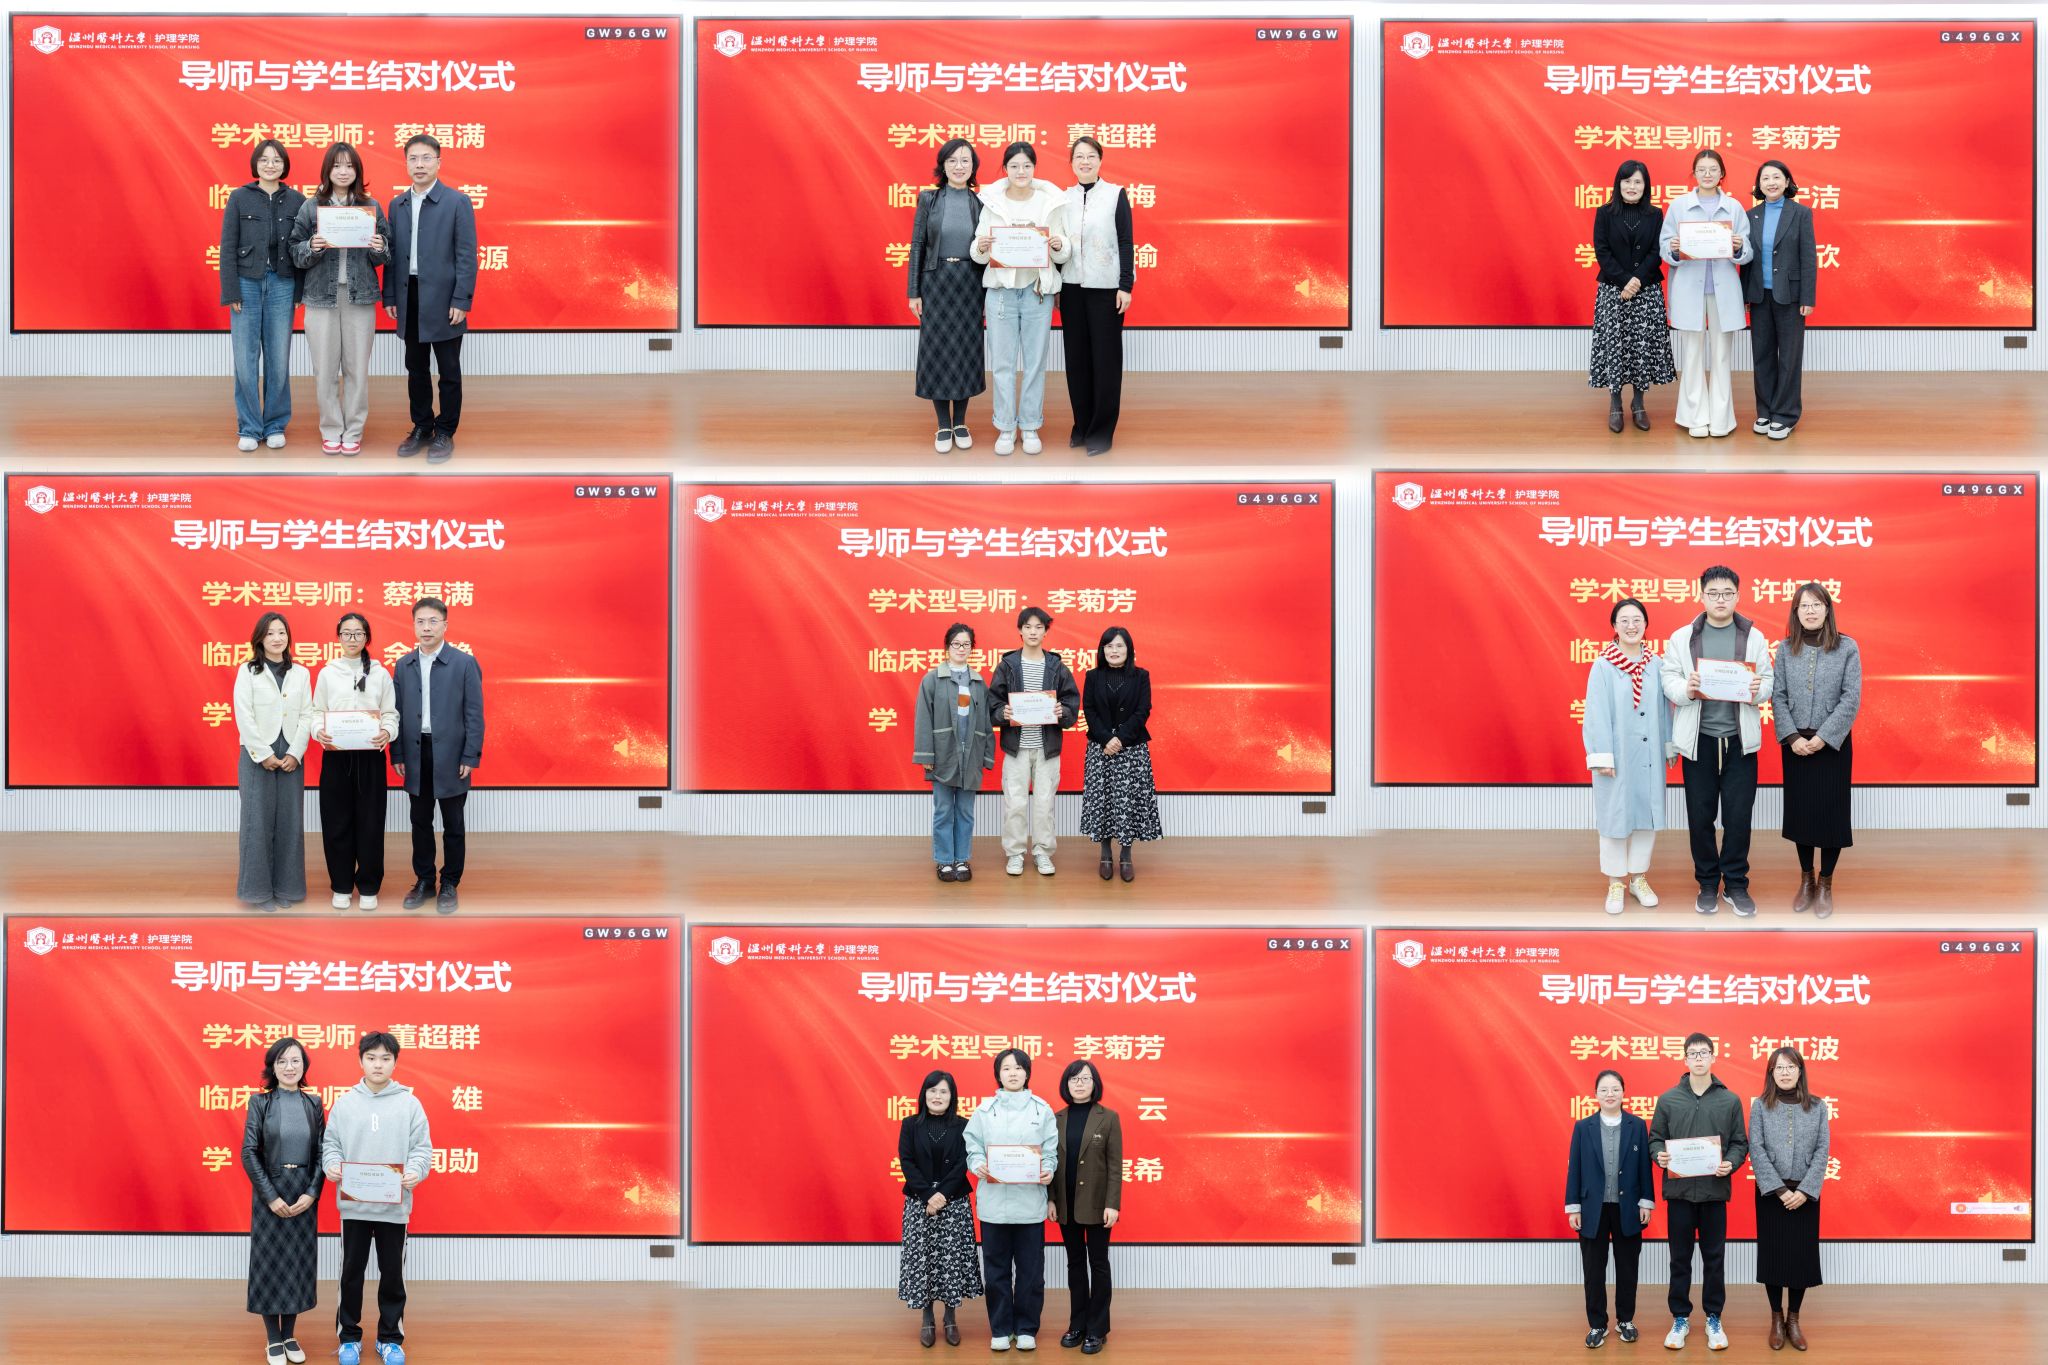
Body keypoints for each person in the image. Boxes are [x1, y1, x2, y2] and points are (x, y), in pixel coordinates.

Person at [1659, 567, 1774, 917]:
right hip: (1699, 741)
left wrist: (1758, 690)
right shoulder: (1683, 637)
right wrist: (1687, 689)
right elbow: (1668, 677)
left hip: (1740, 742)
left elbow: (1768, 679)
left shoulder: (1753, 636)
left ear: (1737, 596)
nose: (1720, 599)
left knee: (1738, 817)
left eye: (1727, 593)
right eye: (1713, 593)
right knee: (1700, 816)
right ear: (1701, 596)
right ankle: (1707, 883)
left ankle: (1736, 884)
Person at [321, 1032, 433, 1365]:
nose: (378, 1064)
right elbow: (331, 1145)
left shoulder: (410, 1104)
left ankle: (390, 1339)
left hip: (394, 1207)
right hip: (354, 1207)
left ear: (395, 1062)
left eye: (385, 1058)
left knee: (393, 1276)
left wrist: (415, 1171)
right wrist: (331, 1165)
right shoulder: (345, 1103)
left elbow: (421, 1149)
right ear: (361, 1061)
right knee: (350, 1275)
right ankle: (349, 1338)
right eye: (371, 1058)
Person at [289, 142, 392, 455]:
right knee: (325, 369)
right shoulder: (311, 207)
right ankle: (331, 428)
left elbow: (385, 254)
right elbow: (295, 251)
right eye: (337, 166)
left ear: (357, 171)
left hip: (360, 299)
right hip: (321, 298)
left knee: (356, 369)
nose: (343, 171)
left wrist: (379, 247)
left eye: (349, 166)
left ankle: (354, 430)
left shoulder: (371, 205)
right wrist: (312, 246)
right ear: (327, 171)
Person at [1649, 1033, 1749, 1353]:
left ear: (1713, 1057)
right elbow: (1655, 1138)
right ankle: (1680, 1317)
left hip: (1713, 1193)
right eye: (1693, 1053)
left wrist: (1731, 1162)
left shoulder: (1729, 1100)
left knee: (1714, 1259)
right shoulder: (1668, 1100)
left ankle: (1713, 1317)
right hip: (1679, 1193)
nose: (1699, 1058)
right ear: (1685, 1059)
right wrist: (1659, 1155)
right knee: (1679, 1259)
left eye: (1704, 1053)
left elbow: (1740, 1142)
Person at [969, 142, 1070, 455]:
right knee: (1003, 364)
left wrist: (1058, 245)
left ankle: (1029, 425)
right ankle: (1005, 426)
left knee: (1035, 362)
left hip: (1037, 292)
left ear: (1034, 168)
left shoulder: (1050, 202)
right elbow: (978, 252)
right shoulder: (992, 201)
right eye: (1014, 166)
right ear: (1005, 169)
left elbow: (1064, 251)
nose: (1021, 171)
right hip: (1001, 292)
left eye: (1026, 165)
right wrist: (981, 247)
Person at [382, 134, 476, 462]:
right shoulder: (397, 205)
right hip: (409, 294)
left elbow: (466, 256)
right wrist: (390, 294)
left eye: (426, 158)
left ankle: (445, 431)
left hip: (444, 298)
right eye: (413, 158)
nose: (419, 164)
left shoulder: (457, 202)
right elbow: (392, 255)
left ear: (438, 162)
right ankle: (422, 426)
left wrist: (461, 300)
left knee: (448, 369)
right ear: (405, 163)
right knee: (416, 367)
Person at [390, 597, 483, 912]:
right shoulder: (404, 665)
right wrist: (397, 752)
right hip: (416, 752)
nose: (426, 628)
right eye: (420, 621)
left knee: (453, 823)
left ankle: (450, 883)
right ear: (413, 625)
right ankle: (425, 881)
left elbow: (474, 714)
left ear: (445, 625)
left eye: (433, 621)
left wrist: (470, 756)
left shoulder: (464, 663)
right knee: (420, 821)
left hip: (452, 754)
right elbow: (397, 713)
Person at [1772, 584, 1859, 917]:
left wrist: (1823, 737)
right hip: (1795, 744)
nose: (1810, 611)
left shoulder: (1847, 647)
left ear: (1827, 609)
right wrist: (1791, 736)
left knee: (1832, 817)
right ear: (1795, 612)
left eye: (1816, 605)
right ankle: (1806, 878)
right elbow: (1778, 695)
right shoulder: (1785, 648)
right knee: (1802, 814)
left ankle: (1825, 883)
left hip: (1832, 745)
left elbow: (1850, 698)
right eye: (1803, 606)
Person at [963, 1049, 1058, 1353]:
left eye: (1018, 1068)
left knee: (1031, 1273)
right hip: (994, 1207)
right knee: (996, 1272)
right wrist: (978, 1164)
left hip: (1030, 1206)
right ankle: (1001, 1329)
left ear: (1027, 1073)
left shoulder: (1042, 1110)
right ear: (998, 1074)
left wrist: (1048, 1170)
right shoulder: (984, 1110)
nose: (1013, 1073)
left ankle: (1027, 1328)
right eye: (1006, 1068)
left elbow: (1051, 1151)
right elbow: (972, 1146)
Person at [1584, 598, 1674, 913]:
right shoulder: (1603, 665)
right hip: (1618, 757)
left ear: (1646, 625)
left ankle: (1638, 878)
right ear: (1614, 626)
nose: (1631, 626)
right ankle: (1615, 882)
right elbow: (1595, 713)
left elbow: (1665, 708)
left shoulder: (1656, 664)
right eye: (1624, 620)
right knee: (1615, 817)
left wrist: (1668, 745)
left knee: (1646, 816)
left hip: (1649, 755)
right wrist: (1602, 756)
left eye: (1637, 620)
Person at [242, 1037, 326, 1365]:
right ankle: (273, 1338)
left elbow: (322, 1152)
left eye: (295, 1061)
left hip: (303, 1193)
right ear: (272, 1068)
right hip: (271, 1192)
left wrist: (312, 1192)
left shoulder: (314, 1104)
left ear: (304, 1066)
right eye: (282, 1062)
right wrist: (270, 1196)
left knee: (296, 1264)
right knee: (270, 1263)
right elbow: (249, 1152)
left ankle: (289, 1334)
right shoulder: (260, 1103)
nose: (289, 1067)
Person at [1659, 149, 1753, 438]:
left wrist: (1738, 246)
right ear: (1694, 173)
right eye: (1702, 169)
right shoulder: (1679, 206)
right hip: (1689, 289)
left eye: (1713, 169)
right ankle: (1695, 417)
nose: (1708, 174)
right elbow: (1664, 246)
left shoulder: (1734, 207)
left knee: (1722, 356)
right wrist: (1674, 248)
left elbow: (1748, 251)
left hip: (1723, 291)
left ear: (1721, 173)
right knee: (1692, 355)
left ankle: (1721, 419)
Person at [220, 138, 306, 452]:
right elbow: (227, 246)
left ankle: (274, 425)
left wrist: (299, 289)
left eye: (277, 160)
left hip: (283, 284)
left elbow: (300, 248)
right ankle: (249, 427)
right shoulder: (239, 197)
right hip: (246, 283)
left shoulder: (297, 199)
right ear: (256, 164)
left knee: (278, 358)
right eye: (265, 160)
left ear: (285, 166)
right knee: (245, 359)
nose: (271, 165)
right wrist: (231, 290)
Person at [312, 613, 399, 910]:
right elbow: (316, 712)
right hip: (336, 756)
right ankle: (341, 885)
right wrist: (318, 731)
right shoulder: (328, 673)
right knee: (336, 822)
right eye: (347, 633)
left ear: (366, 638)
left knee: (371, 823)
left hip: (371, 756)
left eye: (358, 633)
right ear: (338, 637)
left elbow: (391, 713)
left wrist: (387, 731)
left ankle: (369, 885)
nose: (352, 639)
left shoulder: (380, 673)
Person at [1564, 1069, 1654, 1350]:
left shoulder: (1637, 1125)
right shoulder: (1583, 1127)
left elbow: (1644, 1168)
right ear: (1596, 1095)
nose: (1610, 1094)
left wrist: (1646, 1202)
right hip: (1593, 1209)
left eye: (1615, 1089)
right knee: (1593, 1269)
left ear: (1623, 1093)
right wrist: (1574, 1207)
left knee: (1628, 1267)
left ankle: (1625, 1320)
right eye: (1604, 1090)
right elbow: (1575, 1169)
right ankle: (1597, 1324)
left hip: (1628, 1207)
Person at [909, 138, 989, 453]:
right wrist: (914, 291)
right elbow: (917, 245)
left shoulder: (981, 203)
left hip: (971, 283)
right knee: (939, 352)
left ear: (973, 167)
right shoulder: (928, 199)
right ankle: (943, 424)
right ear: (943, 165)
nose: (959, 166)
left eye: (965, 161)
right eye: (952, 160)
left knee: (966, 351)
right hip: (936, 281)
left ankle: (961, 422)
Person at [989, 607, 1081, 876]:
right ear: (1020, 630)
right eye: (1028, 626)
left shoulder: (1056, 666)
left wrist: (1062, 711)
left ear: (1045, 631)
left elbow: (1072, 702)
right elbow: (993, 703)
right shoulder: (1007, 665)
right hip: (1015, 748)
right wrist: (1002, 713)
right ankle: (1015, 853)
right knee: (1015, 804)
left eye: (1038, 627)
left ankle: (1043, 852)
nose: (1033, 632)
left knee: (1044, 804)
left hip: (1047, 749)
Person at [1588, 159, 1677, 433]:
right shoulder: (1604, 213)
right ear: (1619, 184)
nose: (1632, 186)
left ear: (1645, 186)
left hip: (1646, 291)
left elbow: (1657, 251)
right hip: (1613, 290)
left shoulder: (1655, 214)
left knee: (1642, 347)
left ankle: (1638, 403)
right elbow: (1602, 251)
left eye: (1638, 182)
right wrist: (1625, 281)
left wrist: (1636, 280)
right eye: (1627, 181)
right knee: (1615, 346)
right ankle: (1615, 403)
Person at [1058, 136, 1134, 455]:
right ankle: (1082, 425)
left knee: (1105, 362)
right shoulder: (1063, 199)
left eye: (1091, 156)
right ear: (1072, 163)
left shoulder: (1115, 194)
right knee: (1077, 362)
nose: (1085, 162)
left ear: (1100, 161)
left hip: (1106, 289)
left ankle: (1101, 431)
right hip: (1071, 288)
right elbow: (1058, 244)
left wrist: (1125, 285)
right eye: (1079, 157)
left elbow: (1126, 241)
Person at [1750, 1048, 1828, 1351]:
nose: (1785, 1073)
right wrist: (1780, 1190)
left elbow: (1822, 1149)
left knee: (1800, 1259)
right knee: (1773, 1257)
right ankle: (1776, 1317)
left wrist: (1805, 1191)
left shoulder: (1817, 1106)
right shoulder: (1760, 1106)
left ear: (1800, 1071)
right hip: (1772, 1195)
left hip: (1805, 1196)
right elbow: (1756, 1149)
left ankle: (1794, 1319)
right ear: (1771, 1073)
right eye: (1779, 1068)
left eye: (1790, 1067)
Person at [897, 1069, 983, 1347]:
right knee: (922, 1260)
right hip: (919, 1203)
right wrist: (928, 1195)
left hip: (953, 1202)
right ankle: (927, 1318)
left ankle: (950, 1317)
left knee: (950, 1261)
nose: (937, 1096)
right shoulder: (910, 1124)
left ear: (952, 1096)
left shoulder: (963, 1125)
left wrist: (942, 1195)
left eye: (943, 1091)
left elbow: (962, 1163)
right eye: (932, 1090)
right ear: (924, 1094)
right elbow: (907, 1162)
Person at [233, 611, 313, 910]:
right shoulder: (247, 671)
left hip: (291, 752)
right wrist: (264, 754)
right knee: (257, 822)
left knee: (290, 822)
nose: (277, 638)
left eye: (282, 632)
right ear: (259, 639)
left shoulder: (301, 673)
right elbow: (244, 715)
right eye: (270, 633)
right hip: (257, 754)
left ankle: (286, 889)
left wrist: (295, 752)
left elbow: (307, 714)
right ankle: (258, 893)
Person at [912, 622, 995, 882]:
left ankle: (962, 859)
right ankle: (945, 860)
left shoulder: (978, 682)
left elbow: (985, 722)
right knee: (944, 810)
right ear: (947, 647)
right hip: (943, 755)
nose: (961, 648)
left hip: (970, 757)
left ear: (972, 648)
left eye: (966, 644)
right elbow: (923, 718)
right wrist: (926, 756)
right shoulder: (932, 679)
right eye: (956, 644)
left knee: (966, 812)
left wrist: (986, 756)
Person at [1049, 1061, 1121, 1356]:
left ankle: (1097, 1328)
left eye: (1085, 1078)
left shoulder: (1109, 1117)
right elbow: (1050, 1163)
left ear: (1095, 1083)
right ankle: (1077, 1325)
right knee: (1075, 1265)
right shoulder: (1056, 1118)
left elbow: (1115, 1165)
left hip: (1097, 1204)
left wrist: (1112, 1204)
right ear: (1066, 1084)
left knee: (1099, 1264)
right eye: (1074, 1079)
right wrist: (1051, 1199)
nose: (1079, 1084)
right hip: (1066, 1204)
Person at [1742, 159, 1817, 441]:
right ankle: (1765, 410)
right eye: (1765, 178)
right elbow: (1747, 260)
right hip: (1760, 295)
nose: (1771, 182)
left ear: (1787, 182)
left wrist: (1808, 296)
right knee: (1762, 356)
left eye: (1776, 177)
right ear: (1759, 185)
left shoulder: (1801, 214)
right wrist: (1745, 294)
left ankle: (1785, 414)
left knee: (1789, 357)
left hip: (1791, 297)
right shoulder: (1751, 215)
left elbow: (1808, 258)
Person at [1078, 627, 1160, 883]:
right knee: (1102, 801)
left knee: (1128, 802)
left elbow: (1143, 710)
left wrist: (1121, 739)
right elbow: (1089, 710)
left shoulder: (1141, 676)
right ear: (1102, 650)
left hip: (1131, 749)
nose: (1114, 651)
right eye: (1109, 646)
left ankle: (1126, 855)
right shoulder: (1093, 676)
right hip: (1100, 748)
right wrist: (1106, 738)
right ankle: (1105, 854)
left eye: (1119, 646)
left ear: (1129, 649)